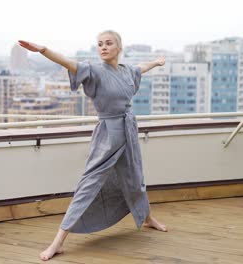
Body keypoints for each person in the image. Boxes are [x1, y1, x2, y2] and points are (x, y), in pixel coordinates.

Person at [18, 30, 167, 261]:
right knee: (88, 185)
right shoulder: (94, 71)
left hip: (128, 131)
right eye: (99, 44)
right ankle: (57, 242)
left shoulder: (127, 71)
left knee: (135, 178)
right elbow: (68, 62)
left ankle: (147, 219)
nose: (103, 47)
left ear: (119, 47)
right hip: (108, 136)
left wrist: (157, 62)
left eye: (109, 43)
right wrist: (43, 50)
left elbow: (142, 67)